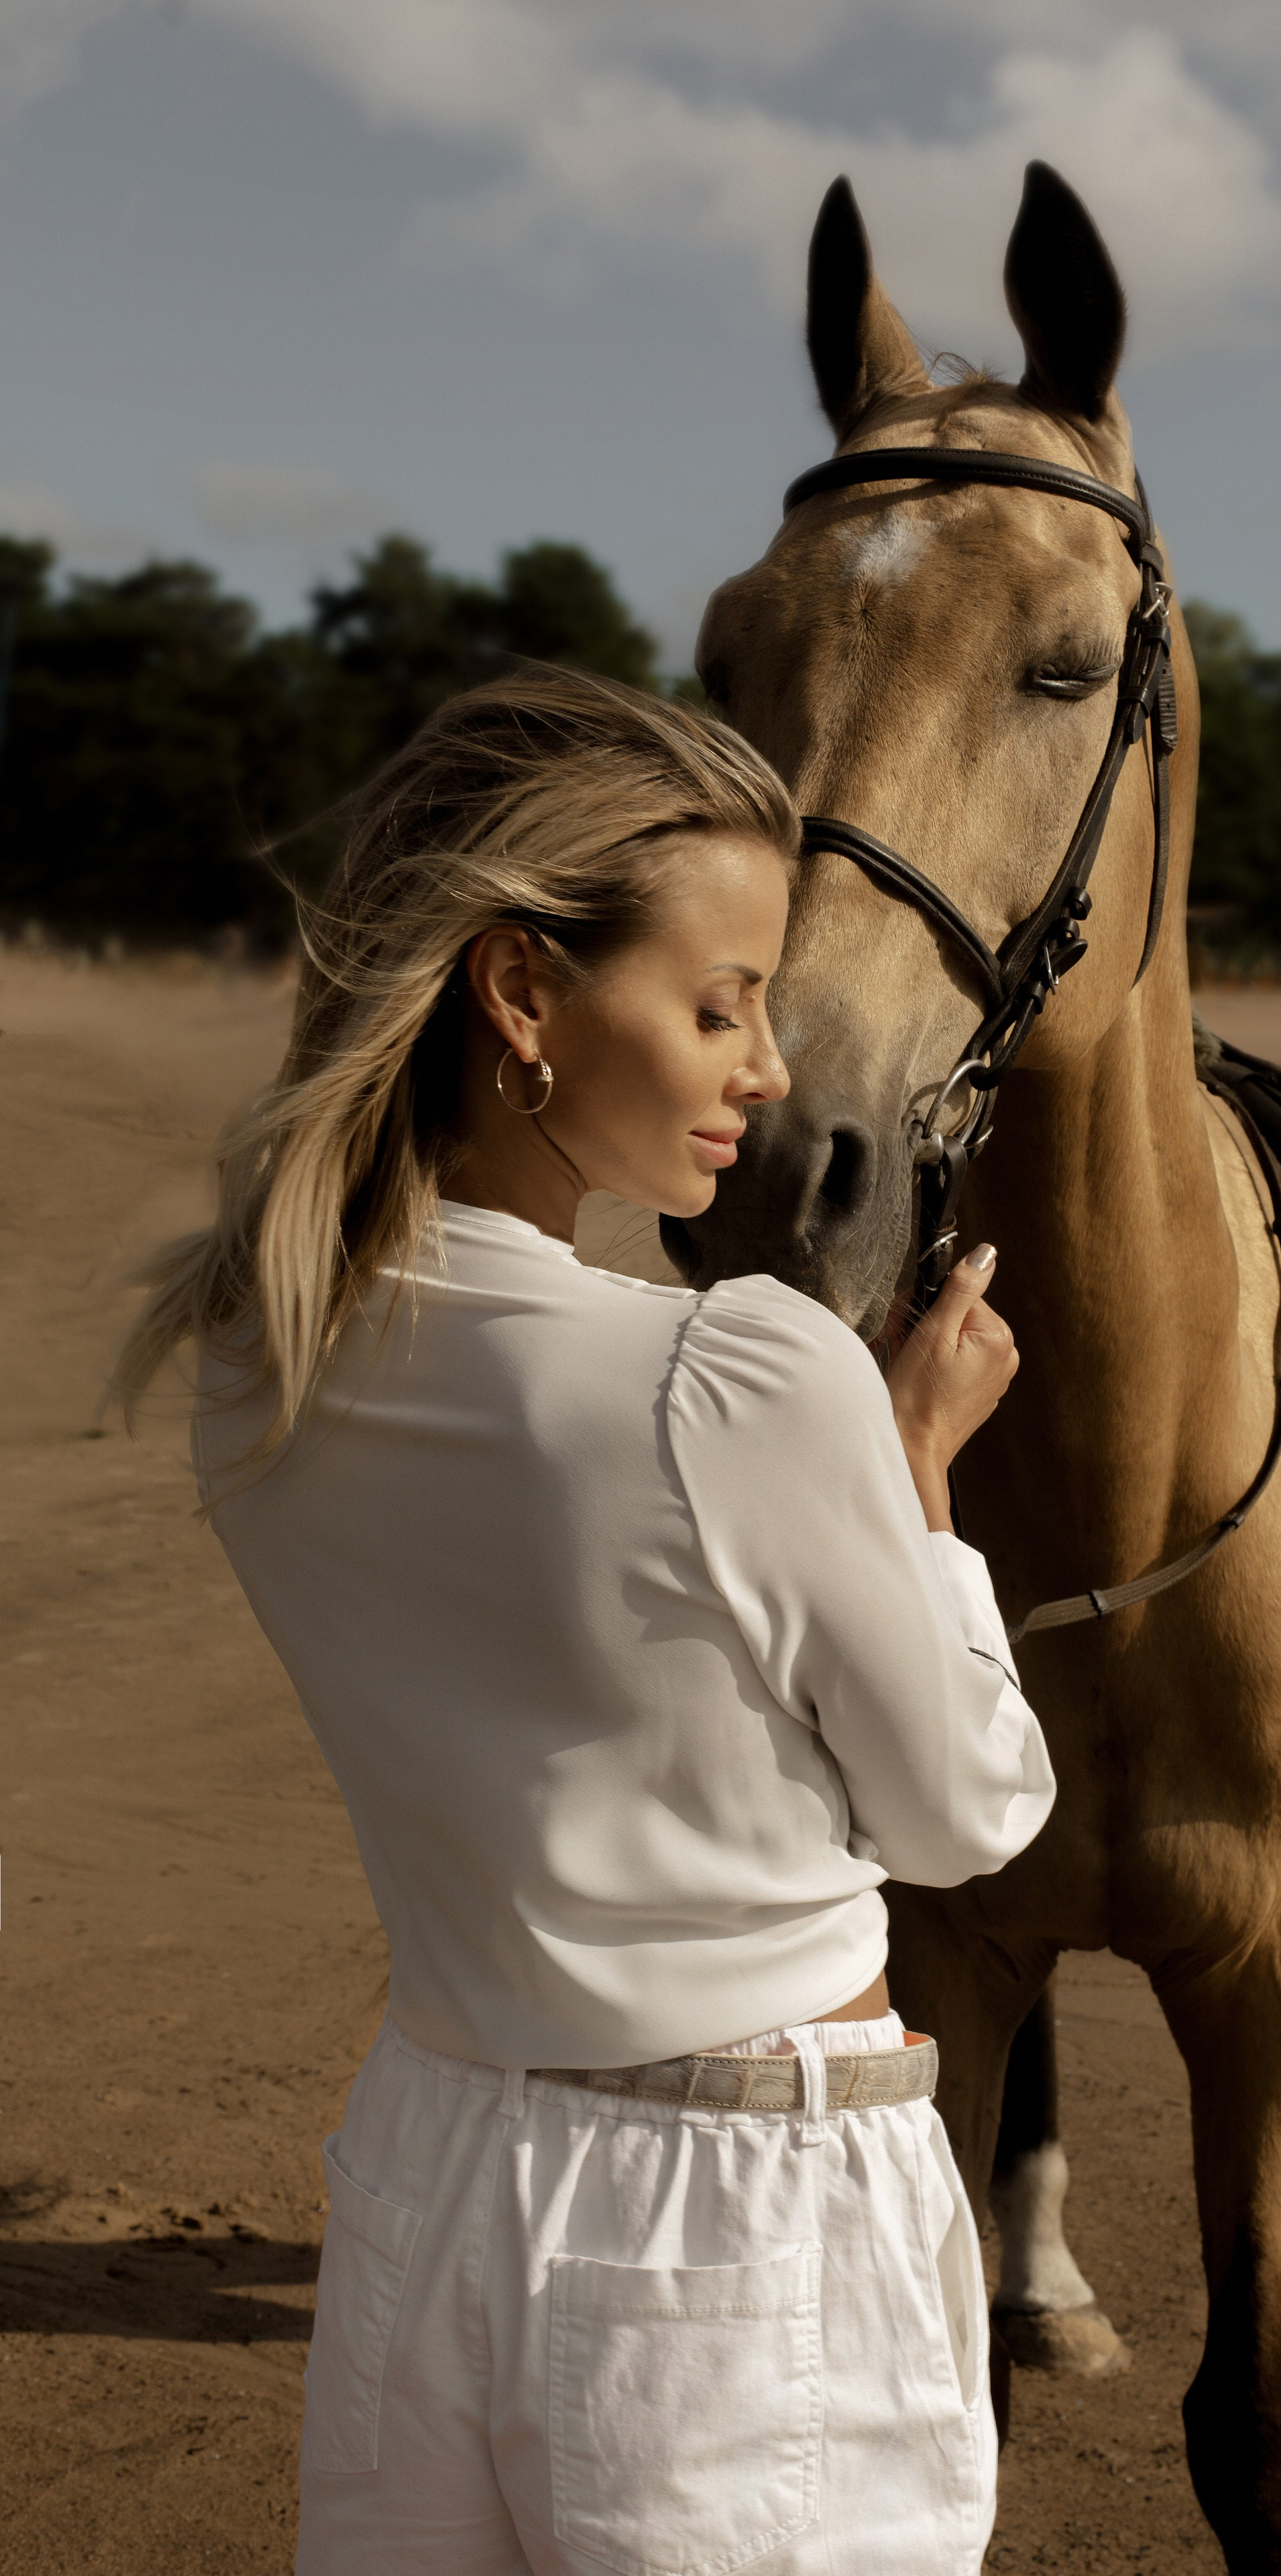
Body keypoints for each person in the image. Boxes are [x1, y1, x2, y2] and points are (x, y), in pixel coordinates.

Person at [116, 666, 1054, 2576]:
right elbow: (970, 1816)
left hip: (433, 2169)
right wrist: (920, 1479)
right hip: (740, 2217)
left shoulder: (253, 1360)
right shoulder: (737, 1378)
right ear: (522, 993)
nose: (769, 1067)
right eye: (718, 1004)